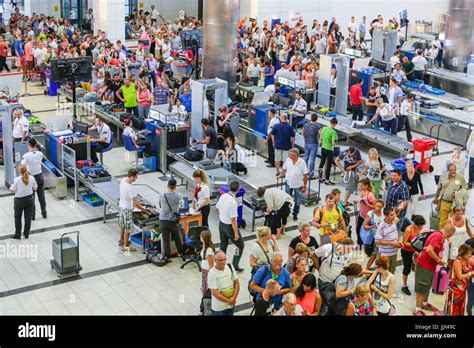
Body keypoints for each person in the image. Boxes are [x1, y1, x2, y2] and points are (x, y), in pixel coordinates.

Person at [414, 222, 455, 316]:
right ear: (449, 232)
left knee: (427, 286)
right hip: (425, 265)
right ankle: (418, 309)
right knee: (421, 287)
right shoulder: (438, 237)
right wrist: (438, 260)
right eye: (451, 235)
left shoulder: (439, 235)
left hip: (430, 266)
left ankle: (424, 304)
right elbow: (429, 249)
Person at [316, 237, 355, 315]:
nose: (349, 252)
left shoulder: (349, 253)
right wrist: (318, 269)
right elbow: (314, 254)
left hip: (337, 284)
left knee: (334, 307)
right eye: (348, 249)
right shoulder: (328, 248)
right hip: (325, 282)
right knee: (324, 307)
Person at [216, 181, 245, 272]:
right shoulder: (233, 202)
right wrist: (236, 233)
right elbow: (233, 219)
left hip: (221, 225)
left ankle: (220, 265)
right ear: (237, 190)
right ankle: (235, 265)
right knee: (240, 245)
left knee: (223, 245)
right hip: (229, 227)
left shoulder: (223, 196)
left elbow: (217, 207)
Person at [433, 163, 468, 230]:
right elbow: (439, 188)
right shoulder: (443, 177)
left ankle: (453, 236)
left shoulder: (460, 177)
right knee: (442, 221)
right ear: (448, 170)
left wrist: (457, 193)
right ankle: (442, 236)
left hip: (454, 204)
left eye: (454, 170)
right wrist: (435, 197)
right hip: (444, 202)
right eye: (451, 170)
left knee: (454, 221)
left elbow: (465, 188)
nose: (453, 171)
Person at [118, 169, 146, 252]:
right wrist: (143, 209)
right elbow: (135, 204)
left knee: (122, 225)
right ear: (133, 176)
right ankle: (125, 246)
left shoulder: (123, 180)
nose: (137, 178)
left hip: (121, 206)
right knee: (128, 228)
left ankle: (121, 240)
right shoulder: (130, 188)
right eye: (136, 176)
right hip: (127, 209)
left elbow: (128, 196)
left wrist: (137, 202)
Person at [158, 179, 185, 261]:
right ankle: (181, 254)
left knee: (166, 240)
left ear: (168, 186)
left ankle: (167, 256)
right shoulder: (179, 195)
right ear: (175, 186)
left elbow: (160, 206)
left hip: (163, 220)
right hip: (173, 221)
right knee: (177, 238)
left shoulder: (162, 195)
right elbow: (182, 206)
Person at [279, 148, 308, 221]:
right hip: (288, 183)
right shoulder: (288, 160)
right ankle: (287, 211)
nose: (289, 155)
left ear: (296, 155)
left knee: (297, 200)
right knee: (287, 199)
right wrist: (280, 175)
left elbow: (305, 175)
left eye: (291, 154)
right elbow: (284, 169)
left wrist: (304, 186)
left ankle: (295, 214)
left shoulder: (302, 162)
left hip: (298, 185)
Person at [207, 251, 240, 316]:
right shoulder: (211, 273)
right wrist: (229, 301)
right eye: (220, 260)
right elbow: (214, 292)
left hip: (231, 305)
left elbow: (237, 283)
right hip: (219, 307)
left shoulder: (230, 266)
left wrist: (233, 298)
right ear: (215, 260)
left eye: (224, 259)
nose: (223, 262)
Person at [21, 138, 46, 220]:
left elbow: (22, 166)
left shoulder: (26, 156)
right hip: (39, 176)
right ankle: (44, 213)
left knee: (32, 197)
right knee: (41, 196)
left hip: (31, 177)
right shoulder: (40, 154)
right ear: (35, 145)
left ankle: (33, 215)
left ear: (29, 145)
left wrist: (26, 173)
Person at [401, 215, 426, 296]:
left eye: (421, 226)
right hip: (406, 251)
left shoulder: (421, 229)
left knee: (418, 268)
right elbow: (404, 243)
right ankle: (404, 285)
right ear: (414, 223)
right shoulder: (409, 229)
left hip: (416, 251)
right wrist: (414, 245)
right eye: (419, 225)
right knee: (407, 268)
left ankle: (417, 285)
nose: (421, 227)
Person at [10, 164, 37, 240]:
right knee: (28, 217)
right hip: (29, 199)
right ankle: (26, 234)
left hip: (19, 201)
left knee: (17, 217)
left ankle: (18, 234)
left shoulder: (16, 179)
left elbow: (12, 189)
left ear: (19, 171)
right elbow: (35, 187)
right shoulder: (32, 178)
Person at [446, 244, 473, 316]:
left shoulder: (466, 260)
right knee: (454, 310)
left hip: (463, 289)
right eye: (469, 253)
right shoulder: (457, 261)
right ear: (464, 253)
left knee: (461, 309)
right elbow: (460, 276)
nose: (470, 255)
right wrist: (470, 273)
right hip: (456, 289)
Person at [374, 207, 403, 274]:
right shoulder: (381, 226)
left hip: (394, 253)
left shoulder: (394, 222)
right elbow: (377, 241)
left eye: (394, 214)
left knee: (392, 272)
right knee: (383, 273)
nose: (394, 216)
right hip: (385, 254)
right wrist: (393, 243)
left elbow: (396, 233)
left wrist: (398, 241)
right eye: (391, 215)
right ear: (386, 216)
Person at [363, 199, 385, 270]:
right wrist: (372, 227)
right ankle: (366, 270)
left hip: (384, 238)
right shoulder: (370, 213)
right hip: (375, 238)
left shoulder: (384, 213)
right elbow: (364, 226)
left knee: (381, 256)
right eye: (377, 206)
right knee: (374, 255)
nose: (378, 208)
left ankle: (379, 270)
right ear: (374, 206)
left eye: (380, 207)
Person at [354, 178, 376, 246]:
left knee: (367, 231)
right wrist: (356, 201)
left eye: (362, 185)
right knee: (358, 229)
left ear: (366, 186)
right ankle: (360, 243)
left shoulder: (370, 195)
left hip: (368, 217)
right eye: (360, 186)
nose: (360, 187)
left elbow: (375, 207)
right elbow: (360, 201)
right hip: (361, 215)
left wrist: (367, 204)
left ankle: (368, 243)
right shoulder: (362, 192)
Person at [318, 118, 338, 185]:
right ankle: (327, 180)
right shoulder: (333, 132)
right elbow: (333, 143)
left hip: (323, 147)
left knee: (322, 162)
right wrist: (334, 142)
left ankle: (320, 177)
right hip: (329, 149)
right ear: (335, 124)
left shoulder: (324, 128)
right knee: (328, 165)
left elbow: (320, 138)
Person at [302, 113, 321, 178]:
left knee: (306, 158)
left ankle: (303, 172)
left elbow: (303, 132)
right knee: (312, 159)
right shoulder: (318, 126)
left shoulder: (306, 125)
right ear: (317, 119)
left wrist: (305, 138)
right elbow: (320, 135)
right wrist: (320, 140)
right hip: (314, 143)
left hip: (306, 143)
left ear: (311, 118)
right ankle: (311, 174)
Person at [200, 230, 215, 295]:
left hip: (208, 271)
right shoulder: (204, 245)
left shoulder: (209, 250)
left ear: (203, 239)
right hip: (205, 270)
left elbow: (211, 265)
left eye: (201, 237)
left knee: (208, 288)